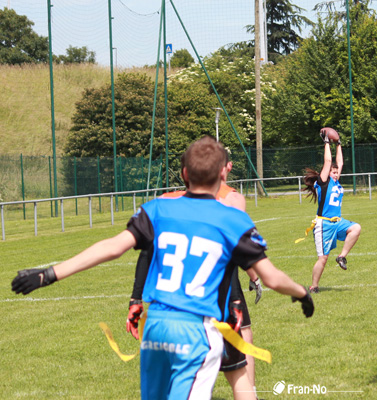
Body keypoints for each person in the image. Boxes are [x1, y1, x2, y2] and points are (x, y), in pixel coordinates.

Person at [12, 136, 314, 400]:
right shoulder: (232, 218)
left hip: (155, 327)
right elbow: (271, 277)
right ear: (224, 173)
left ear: (184, 173)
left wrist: (49, 273)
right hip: (195, 331)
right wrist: (302, 293)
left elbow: (112, 247)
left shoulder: (158, 208)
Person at [126, 152, 264, 399]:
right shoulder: (232, 199)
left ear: (185, 173)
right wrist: (254, 278)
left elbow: (143, 252)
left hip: (168, 309)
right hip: (217, 294)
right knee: (238, 365)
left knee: (182, 378)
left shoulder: (164, 201)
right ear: (223, 170)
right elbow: (243, 251)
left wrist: (136, 298)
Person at [301, 129, 361, 293]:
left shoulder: (335, 182)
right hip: (324, 224)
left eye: (336, 172)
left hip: (337, 221)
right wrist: (327, 142)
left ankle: (342, 256)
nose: (336, 173)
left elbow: (339, 163)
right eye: (333, 172)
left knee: (356, 228)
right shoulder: (323, 183)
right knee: (323, 258)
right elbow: (328, 162)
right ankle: (314, 286)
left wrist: (339, 144)